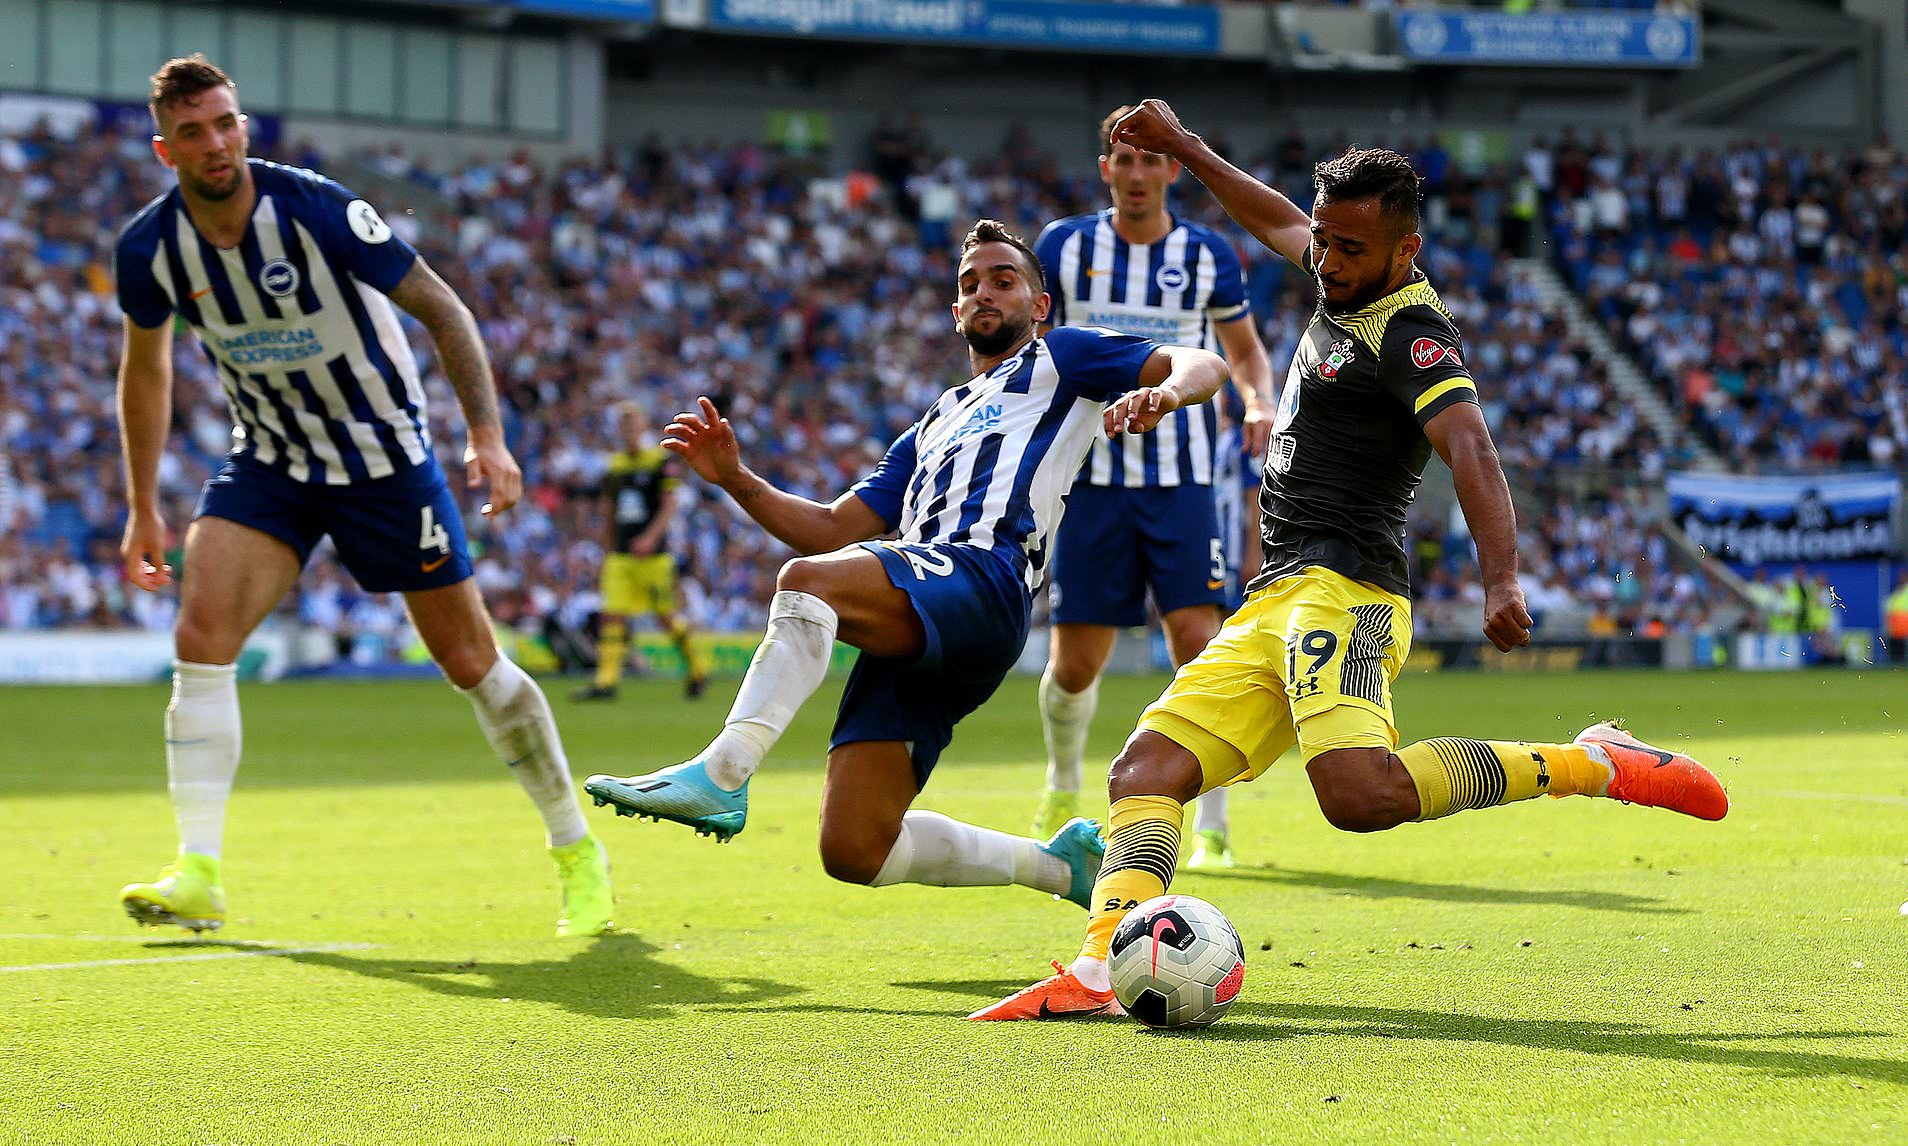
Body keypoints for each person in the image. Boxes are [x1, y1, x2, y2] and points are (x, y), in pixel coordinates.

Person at [972, 101, 1728, 1021]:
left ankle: (1593, 762)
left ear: (1403, 253)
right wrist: (1187, 148)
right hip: (1275, 592)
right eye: (1324, 242)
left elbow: (1474, 450)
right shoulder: (1338, 266)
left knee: (1358, 797)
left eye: (1348, 250)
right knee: (1145, 770)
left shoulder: (1413, 335)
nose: (1325, 262)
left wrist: (1501, 577)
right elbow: (1274, 218)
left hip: (1351, 589)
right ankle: (1099, 966)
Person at [584, 220, 1229, 909]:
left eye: (1003, 281)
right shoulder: (931, 424)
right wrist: (738, 480)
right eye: (969, 285)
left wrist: (1167, 393)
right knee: (855, 849)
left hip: (985, 578)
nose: (984, 292)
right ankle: (1056, 867)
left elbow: (1203, 365)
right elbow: (831, 527)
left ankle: (724, 770)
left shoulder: (1062, 359)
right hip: (923, 613)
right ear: (956, 316)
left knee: (809, 584)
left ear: (1039, 307)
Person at [113, 56, 612, 937]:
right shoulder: (151, 247)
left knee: (471, 664)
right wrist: (142, 504)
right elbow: (145, 371)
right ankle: (199, 870)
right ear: (167, 149)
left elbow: (444, 309)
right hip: (270, 461)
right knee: (201, 635)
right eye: (193, 131)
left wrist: (485, 435)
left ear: (243, 126)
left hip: (385, 460)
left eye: (226, 122)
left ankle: (575, 848)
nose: (216, 142)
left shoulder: (316, 208)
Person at [1029, 106, 1275, 870]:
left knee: (1198, 650)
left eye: (1149, 161)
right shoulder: (1064, 248)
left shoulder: (1206, 255)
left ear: (1172, 169)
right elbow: (1039, 353)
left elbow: (1243, 352)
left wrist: (1260, 401)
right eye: (1122, 161)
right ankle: (1063, 784)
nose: (1136, 175)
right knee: (1075, 663)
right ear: (1105, 168)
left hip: (1182, 481)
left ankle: (1213, 822)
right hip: (1091, 480)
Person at [573, 400, 711, 702]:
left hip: (653, 557)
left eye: (633, 425)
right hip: (621, 555)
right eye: (624, 426)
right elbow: (609, 510)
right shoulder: (616, 466)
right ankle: (605, 682)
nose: (629, 431)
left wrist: (650, 537)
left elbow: (669, 503)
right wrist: (607, 550)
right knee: (612, 615)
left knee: (665, 617)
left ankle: (697, 670)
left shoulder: (659, 461)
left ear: (643, 427)